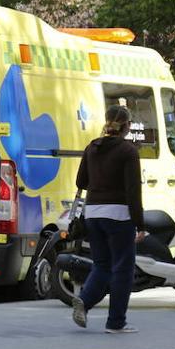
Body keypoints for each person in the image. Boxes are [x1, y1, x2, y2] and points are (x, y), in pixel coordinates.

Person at [71, 104, 145, 333]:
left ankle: (85, 300)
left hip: (93, 214)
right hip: (119, 216)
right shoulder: (128, 151)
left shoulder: (92, 147)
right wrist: (140, 224)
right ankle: (115, 323)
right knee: (123, 268)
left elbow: (80, 183)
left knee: (102, 265)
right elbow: (133, 191)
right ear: (127, 126)